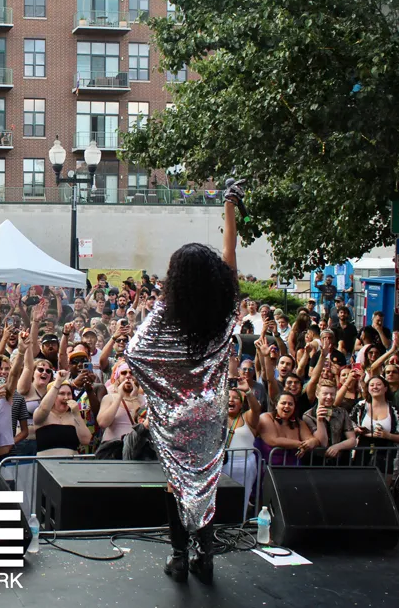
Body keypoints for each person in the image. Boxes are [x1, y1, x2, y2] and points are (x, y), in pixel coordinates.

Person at [124, 179, 243, 584]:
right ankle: (204, 554)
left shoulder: (166, 313)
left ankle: (178, 556)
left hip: (174, 414)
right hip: (210, 413)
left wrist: (164, 391)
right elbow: (229, 255)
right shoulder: (224, 312)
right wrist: (229, 205)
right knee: (205, 483)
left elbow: (135, 353)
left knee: (176, 484)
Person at [350, 376, 399, 475]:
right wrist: (357, 430)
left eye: (378, 384)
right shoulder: (360, 407)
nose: (375, 387)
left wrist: (387, 435)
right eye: (372, 385)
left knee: (384, 482)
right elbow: (348, 427)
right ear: (368, 389)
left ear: (385, 388)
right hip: (362, 451)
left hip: (387, 454)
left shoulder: (395, 410)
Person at [223, 383, 261, 517]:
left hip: (246, 464)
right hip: (222, 464)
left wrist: (248, 392)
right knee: (223, 497)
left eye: (235, 398)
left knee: (242, 497)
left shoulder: (247, 417)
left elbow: (256, 409)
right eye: (228, 397)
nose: (231, 400)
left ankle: (240, 523)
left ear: (241, 403)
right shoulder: (217, 418)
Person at [32, 371, 91, 456]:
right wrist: (58, 382)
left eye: (69, 394)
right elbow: (44, 408)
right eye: (62, 393)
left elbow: (86, 440)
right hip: (45, 462)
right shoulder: (42, 415)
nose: (66, 397)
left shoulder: (74, 416)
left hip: (71, 462)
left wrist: (77, 415)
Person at [302, 381, 356, 466]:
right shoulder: (308, 415)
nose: (329, 397)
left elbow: (352, 440)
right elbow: (323, 443)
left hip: (339, 461)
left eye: (332, 394)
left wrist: (338, 446)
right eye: (325, 394)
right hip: (316, 461)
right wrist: (320, 420)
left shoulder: (342, 412)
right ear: (317, 394)